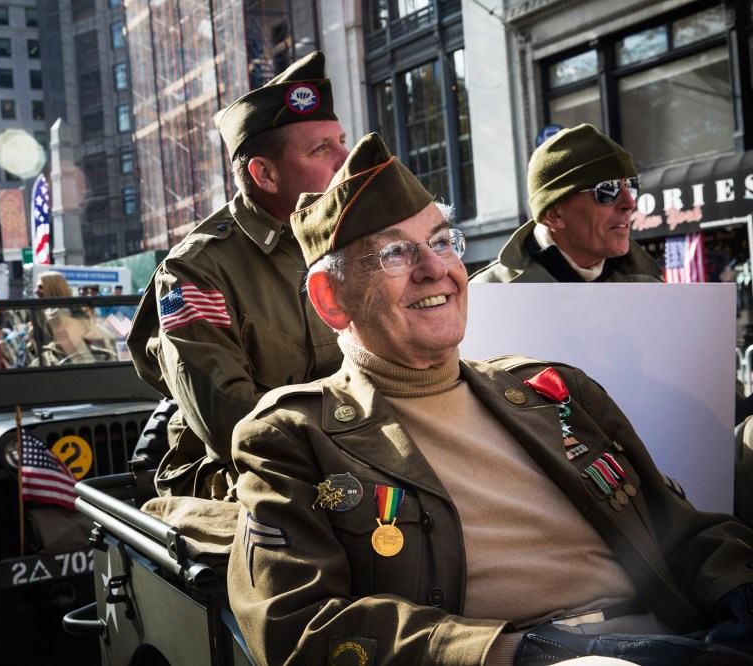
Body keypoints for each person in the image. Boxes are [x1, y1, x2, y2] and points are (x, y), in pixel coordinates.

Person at [227, 133, 753, 665]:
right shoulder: (292, 436)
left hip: (678, 640)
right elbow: (299, 629)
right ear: (330, 299)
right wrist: (524, 655)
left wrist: (741, 593)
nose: (435, 269)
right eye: (394, 253)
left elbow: (681, 528)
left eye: (440, 241)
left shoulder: (553, 389)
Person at [127, 50, 349, 498]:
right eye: (322, 148)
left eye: (342, 140)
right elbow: (232, 424)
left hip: (358, 454)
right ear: (264, 174)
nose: (347, 158)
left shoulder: (354, 239)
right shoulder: (196, 272)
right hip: (247, 477)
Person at [469, 123, 662, 283]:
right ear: (554, 214)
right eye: (607, 190)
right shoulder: (487, 296)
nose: (629, 203)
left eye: (631, 186)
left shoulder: (650, 289)